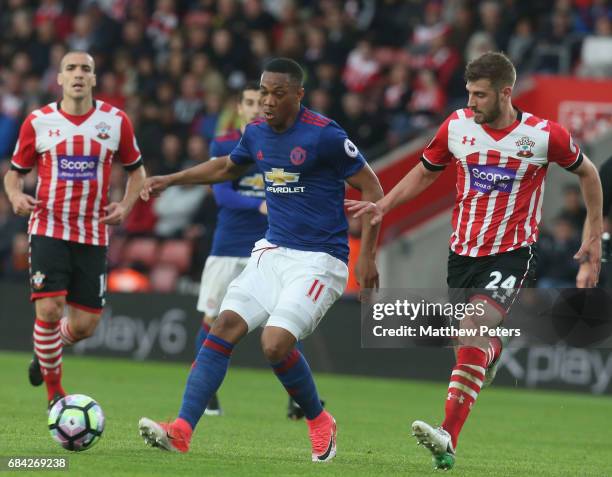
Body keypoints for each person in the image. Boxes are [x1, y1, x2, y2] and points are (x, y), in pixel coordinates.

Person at [347, 51, 603, 470]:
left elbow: (588, 172)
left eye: (480, 95)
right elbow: (426, 171)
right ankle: (492, 352)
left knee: (470, 327)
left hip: (513, 253)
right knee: (469, 343)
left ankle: (447, 437)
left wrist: (592, 235)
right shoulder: (458, 126)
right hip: (461, 254)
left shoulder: (542, 135)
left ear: (506, 93)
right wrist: (385, 205)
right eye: (469, 93)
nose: (471, 103)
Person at [137, 57, 383, 462]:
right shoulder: (254, 133)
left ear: (298, 95)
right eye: (264, 92)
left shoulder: (325, 136)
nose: (267, 101)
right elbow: (225, 167)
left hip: (320, 260)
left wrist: (367, 257)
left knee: (273, 344)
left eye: (277, 94)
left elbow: (373, 190)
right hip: (272, 251)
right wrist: (171, 178)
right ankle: (181, 430)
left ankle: (319, 419)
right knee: (224, 326)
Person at [3, 51, 146, 409]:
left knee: (84, 327)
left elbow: (136, 171)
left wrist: (126, 206)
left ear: (94, 79)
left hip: (93, 233)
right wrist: (15, 195)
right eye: (71, 68)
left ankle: (43, 354)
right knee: (49, 311)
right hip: (49, 226)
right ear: (60, 79)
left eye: (86, 69)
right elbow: (14, 172)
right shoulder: (39, 122)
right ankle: (55, 395)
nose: (79, 74)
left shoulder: (115, 122)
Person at [194, 81, 314, 419]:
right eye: (248, 101)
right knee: (212, 318)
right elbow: (223, 194)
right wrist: (260, 203)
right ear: (240, 108)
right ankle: (207, 394)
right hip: (228, 245)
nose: (255, 106)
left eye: (258, 101)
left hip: (270, 247)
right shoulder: (224, 143)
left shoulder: (280, 144)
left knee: (282, 321)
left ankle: (297, 398)